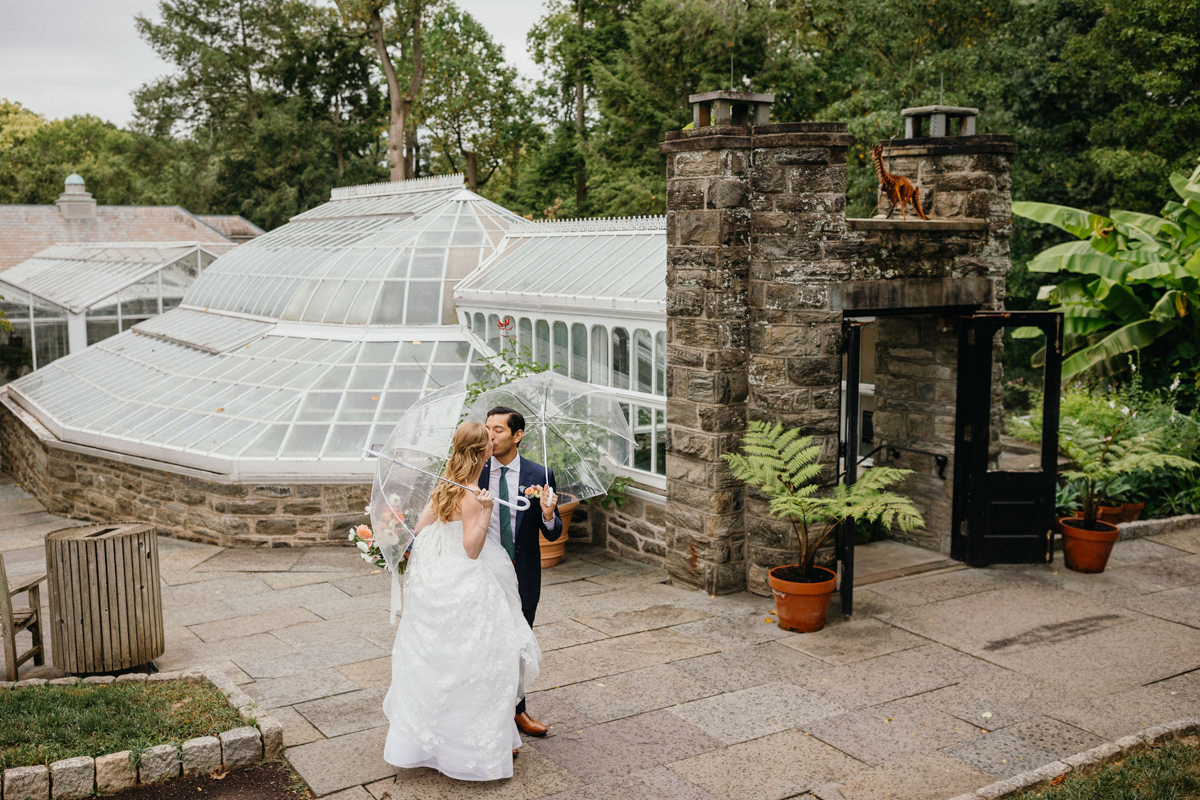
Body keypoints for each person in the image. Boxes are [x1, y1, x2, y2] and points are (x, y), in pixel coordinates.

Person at [382, 421, 541, 781]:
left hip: (436, 580)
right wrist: (483, 512)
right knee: (479, 664)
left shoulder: (444, 485)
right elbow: (471, 551)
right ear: (483, 452)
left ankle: (434, 741)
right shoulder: (470, 492)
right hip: (466, 581)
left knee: (438, 663)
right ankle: (470, 747)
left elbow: (421, 529)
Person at [478, 405, 562, 737]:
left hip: (523, 572)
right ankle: (484, 711)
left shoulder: (540, 475)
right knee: (482, 643)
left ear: (517, 435)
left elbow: (553, 533)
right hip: (482, 570)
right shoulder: (476, 471)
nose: (490, 436)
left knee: (519, 643)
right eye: (487, 428)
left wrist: (547, 514)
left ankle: (518, 710)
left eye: (498, 430)